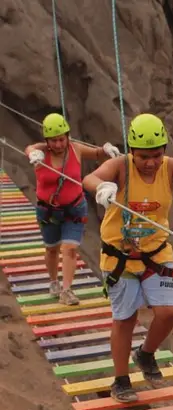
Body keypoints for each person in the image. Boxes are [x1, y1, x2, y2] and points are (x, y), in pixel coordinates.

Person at [82, 113, 173, 403]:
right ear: (132, 151)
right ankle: (121, 380)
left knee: (168, 312)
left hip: (156, 252)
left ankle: (146, 353)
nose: (150, 162)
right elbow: (91, 177)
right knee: (126, 318)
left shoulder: (169, 168)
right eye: (143, 156)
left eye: (156, 155)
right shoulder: (121, 166)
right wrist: (101, 187)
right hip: (120, 257)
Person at [24, 113, 121, 305]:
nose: (59, 144)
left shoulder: (75, 149)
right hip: (48, 211)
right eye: (54, 140)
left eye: (62, 139)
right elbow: (30, 148)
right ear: (47, 140)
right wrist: (32, 154)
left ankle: (66, 290)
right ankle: (54, 281)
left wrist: (107, 149)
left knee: (69, 248)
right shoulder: (41, 153)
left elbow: (96, 153)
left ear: (67, 136)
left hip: (74, 208)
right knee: (52, 249)